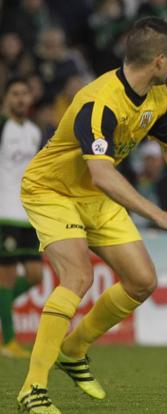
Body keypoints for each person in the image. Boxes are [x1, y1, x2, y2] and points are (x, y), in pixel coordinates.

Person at [17, 17, 167, 414]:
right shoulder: (100, 102)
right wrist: (159, 215)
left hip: (96, 194)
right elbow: (101, 172)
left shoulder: (157, 95)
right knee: (78, 276)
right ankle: (32, 389)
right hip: (52, 190)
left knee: (142, 281)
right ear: (160, 60)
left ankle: (74, 349)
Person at [0, 78, 44, 359]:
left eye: (24, 93)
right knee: (5, 279)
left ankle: (3, 311)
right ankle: (9, 342)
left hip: (28, 213)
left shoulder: (34, 131)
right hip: (4, 213)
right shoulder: (3, 127)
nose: (20, 98)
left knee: (35, 275)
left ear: (30, 98)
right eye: (15, 94)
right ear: (6, 99)